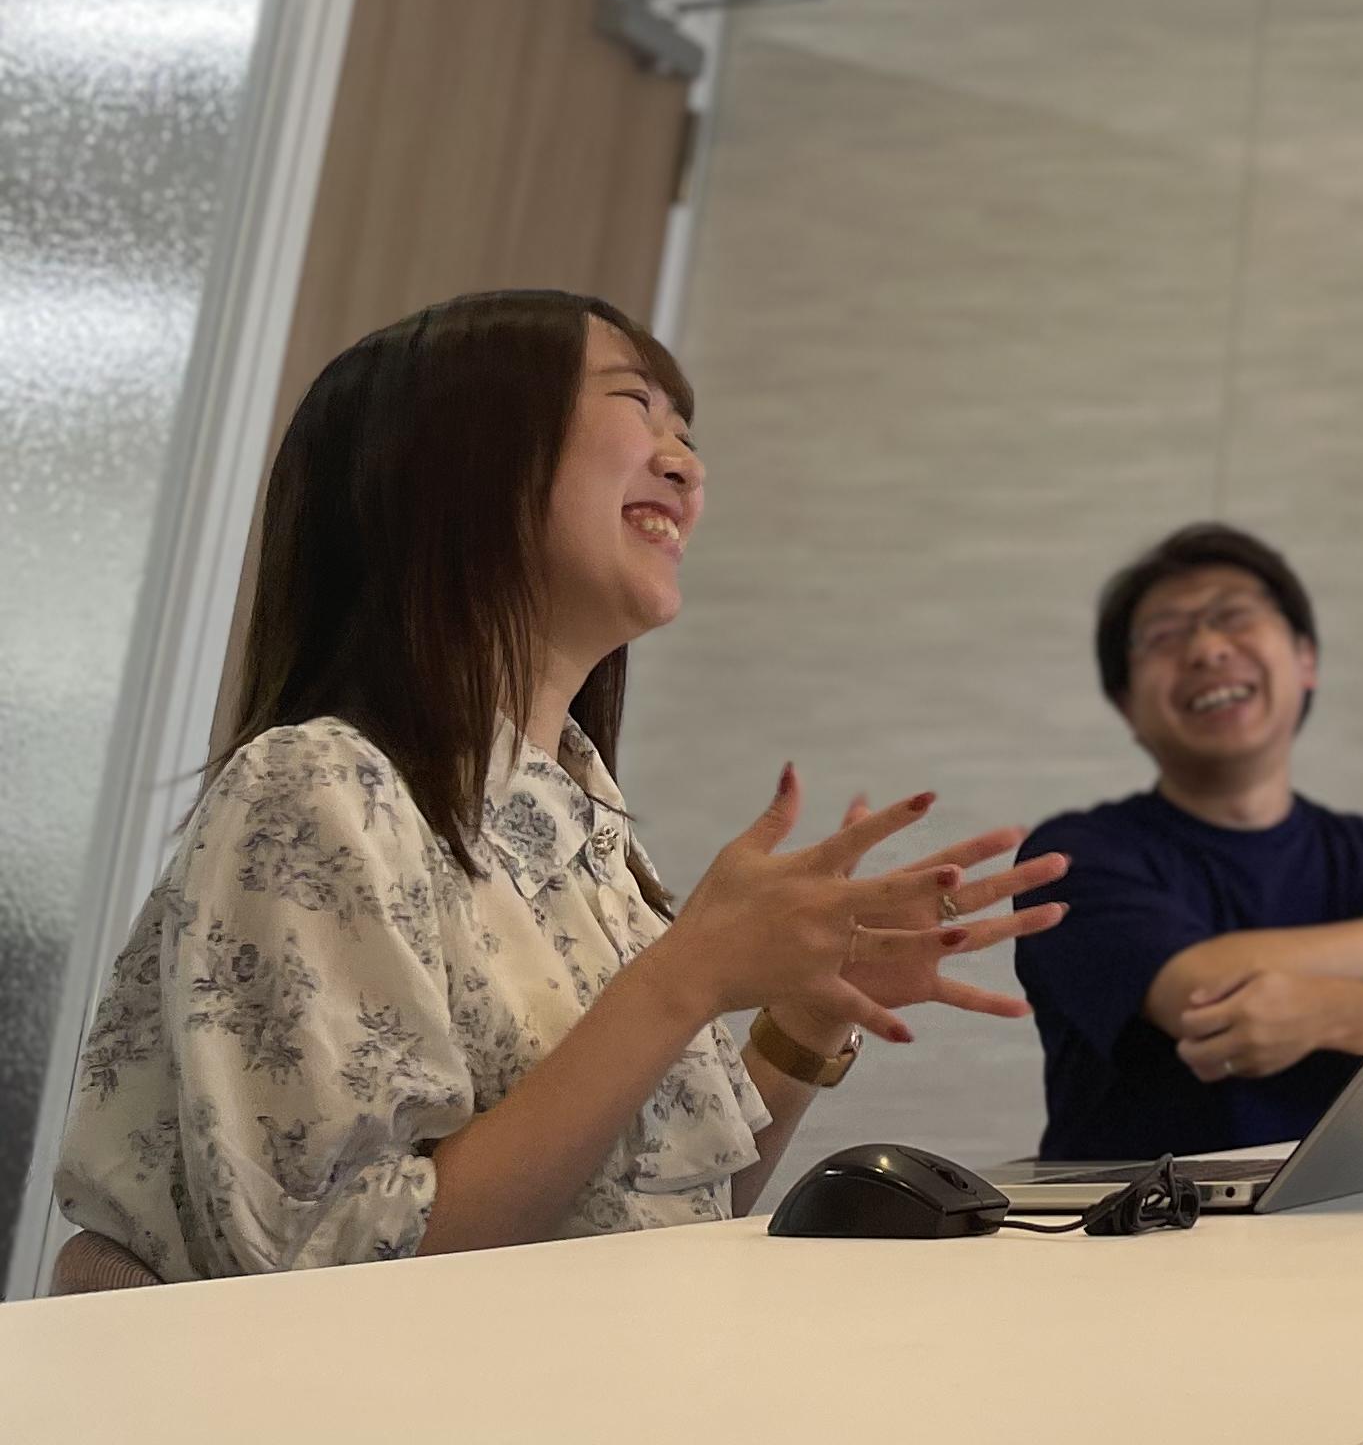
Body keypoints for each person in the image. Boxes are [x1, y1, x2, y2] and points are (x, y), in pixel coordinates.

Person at [51, 291, 1064, 1288]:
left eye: (687, 434)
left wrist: (805, 1015)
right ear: (457, 459)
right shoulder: (315, 789)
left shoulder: (577, 819)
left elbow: (648, 1219)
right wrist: (685, 977)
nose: (688, 464)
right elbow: (337, 1272)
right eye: (636, 407)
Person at [1015, 525, 1363, 1161]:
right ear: (1126, 706)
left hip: (1347, 1210)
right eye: (1165, 636)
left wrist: (1331, 1012)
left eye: (1234, 616)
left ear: (1306, 660)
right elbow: (1202, 994)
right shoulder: (1070, 857)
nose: (1207, 648)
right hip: (1138, 1214)